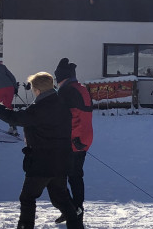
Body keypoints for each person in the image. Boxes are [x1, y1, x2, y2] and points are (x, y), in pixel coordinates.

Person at [0, 72, 84, 229]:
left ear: (37, 90)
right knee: (61, 198)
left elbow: (15, 118)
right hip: (61, 160)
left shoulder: (40, 108)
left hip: (43, 162)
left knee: (27, 198)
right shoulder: (61, 104)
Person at [52, 59, 95, 224]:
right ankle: (74, 209)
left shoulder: (66, 91)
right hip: (85, 138)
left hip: (73, 140)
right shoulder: (81, 88)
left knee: (60, 176)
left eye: (58, 79)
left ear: (62, 77)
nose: (58, 82)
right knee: (75, 175)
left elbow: (67, 118)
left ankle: (72, 210)